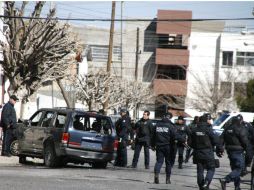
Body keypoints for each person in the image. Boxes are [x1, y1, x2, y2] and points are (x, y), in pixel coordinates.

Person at [188, 114, 223, 190]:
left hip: (197, 153)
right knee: (211, 168)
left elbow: (190, 143)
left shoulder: (194, 130)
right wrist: (220, 149)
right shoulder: (208, 129)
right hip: (208, 152)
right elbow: (216, 140)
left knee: (200, 170)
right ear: (206, 121)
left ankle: (201, 186)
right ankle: (206, 183)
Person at [219, 115, 249, 190]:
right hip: (238, 151)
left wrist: (220, 149)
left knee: (235, 169)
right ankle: (226, 179)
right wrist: (247, 149)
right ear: (241, 120)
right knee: (239, 169)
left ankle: (237, 187)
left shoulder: (227, 128)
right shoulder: (240, 128)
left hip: (229, 151)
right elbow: (244, 141)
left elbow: (221, 139)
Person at [150, 113, 176, 184]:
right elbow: (174, 136)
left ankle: (156, 176)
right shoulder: (171, 126)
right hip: (168, 146)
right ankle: (168, 179)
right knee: (168, 163)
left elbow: (152, 136)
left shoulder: (157, 125)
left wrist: (152, 145)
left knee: (159, 161)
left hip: (159, 146)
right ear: (169, 118)